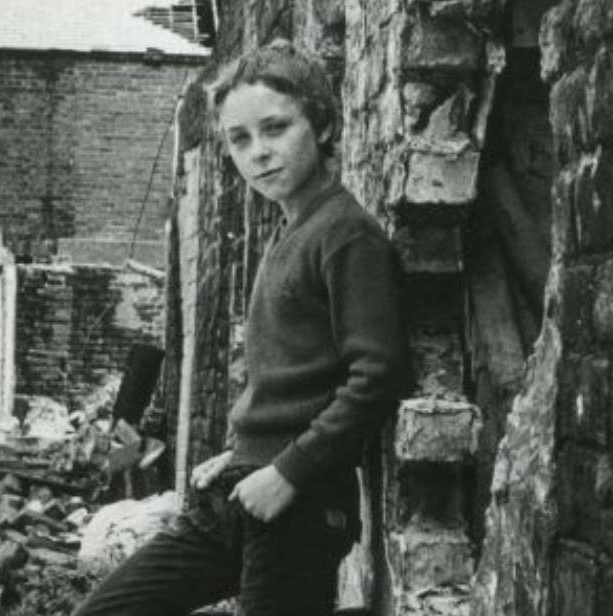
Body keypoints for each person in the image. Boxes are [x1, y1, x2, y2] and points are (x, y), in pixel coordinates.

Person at [71, 40, 413, 616]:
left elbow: (380, 374)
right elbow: (291, 377)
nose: (259, 153)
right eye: (240, 139)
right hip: (241, 486)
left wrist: (287, 471)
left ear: (323, 125)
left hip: (298, 498)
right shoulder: (291, 230)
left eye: (276, 129)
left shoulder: (347, 235)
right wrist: (239, 452)